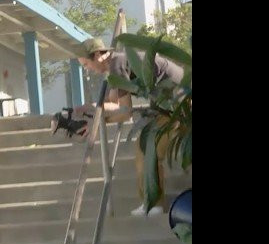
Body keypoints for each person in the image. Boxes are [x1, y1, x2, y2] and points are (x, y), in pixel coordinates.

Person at [51, 36, 186, 215]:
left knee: (147, 148)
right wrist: (87, 115)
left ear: (97, 55)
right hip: (170, 105)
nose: (87, 69)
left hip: (180, 104)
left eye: (86, 64)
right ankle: (152, 203)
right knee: (144, 147)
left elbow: (125, 111)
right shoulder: (118, 65)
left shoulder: (118, 64)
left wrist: (93, 116)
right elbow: (113, 103)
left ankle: (154, 204)